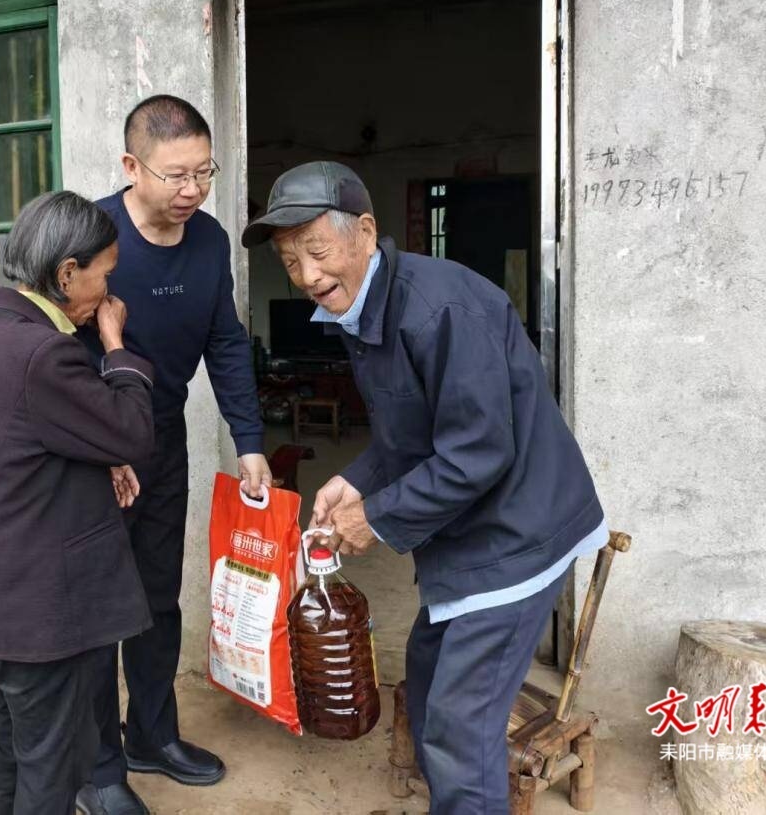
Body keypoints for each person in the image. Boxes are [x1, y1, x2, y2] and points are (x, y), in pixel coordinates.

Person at [243, 161, 609, 815]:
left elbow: (479, 451)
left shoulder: (439, 309)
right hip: (472, 527)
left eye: (317, 251)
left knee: (460, 729)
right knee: (428, 674)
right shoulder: (361, 308)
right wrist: (352, 481)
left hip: (518, 533)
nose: (306, 276)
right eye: (290, 260)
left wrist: (374, 516)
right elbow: (407, 435)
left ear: (364, 231)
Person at [77, 95, 272, 815]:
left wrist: (248, 440)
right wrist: (101, 447)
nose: (192, 189)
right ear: (132, 166)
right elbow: (56, 352)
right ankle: (95, 766)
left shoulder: (210, 241)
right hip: (93, 447)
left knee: (158, 595)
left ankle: (151, 736)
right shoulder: (92, 237)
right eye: (175, 175)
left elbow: (224, 340)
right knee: (98, 606)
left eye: (204, 172)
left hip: (161, 436)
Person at [0, 191, 157, 815]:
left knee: (13, 753)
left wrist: (97, 458)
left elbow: (8, 439)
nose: (107, 292)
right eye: (104, 275)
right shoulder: (47, 352)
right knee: (51, 773)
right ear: (66, 274)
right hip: (30, 620)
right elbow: (132, 431)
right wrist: (115, 345)